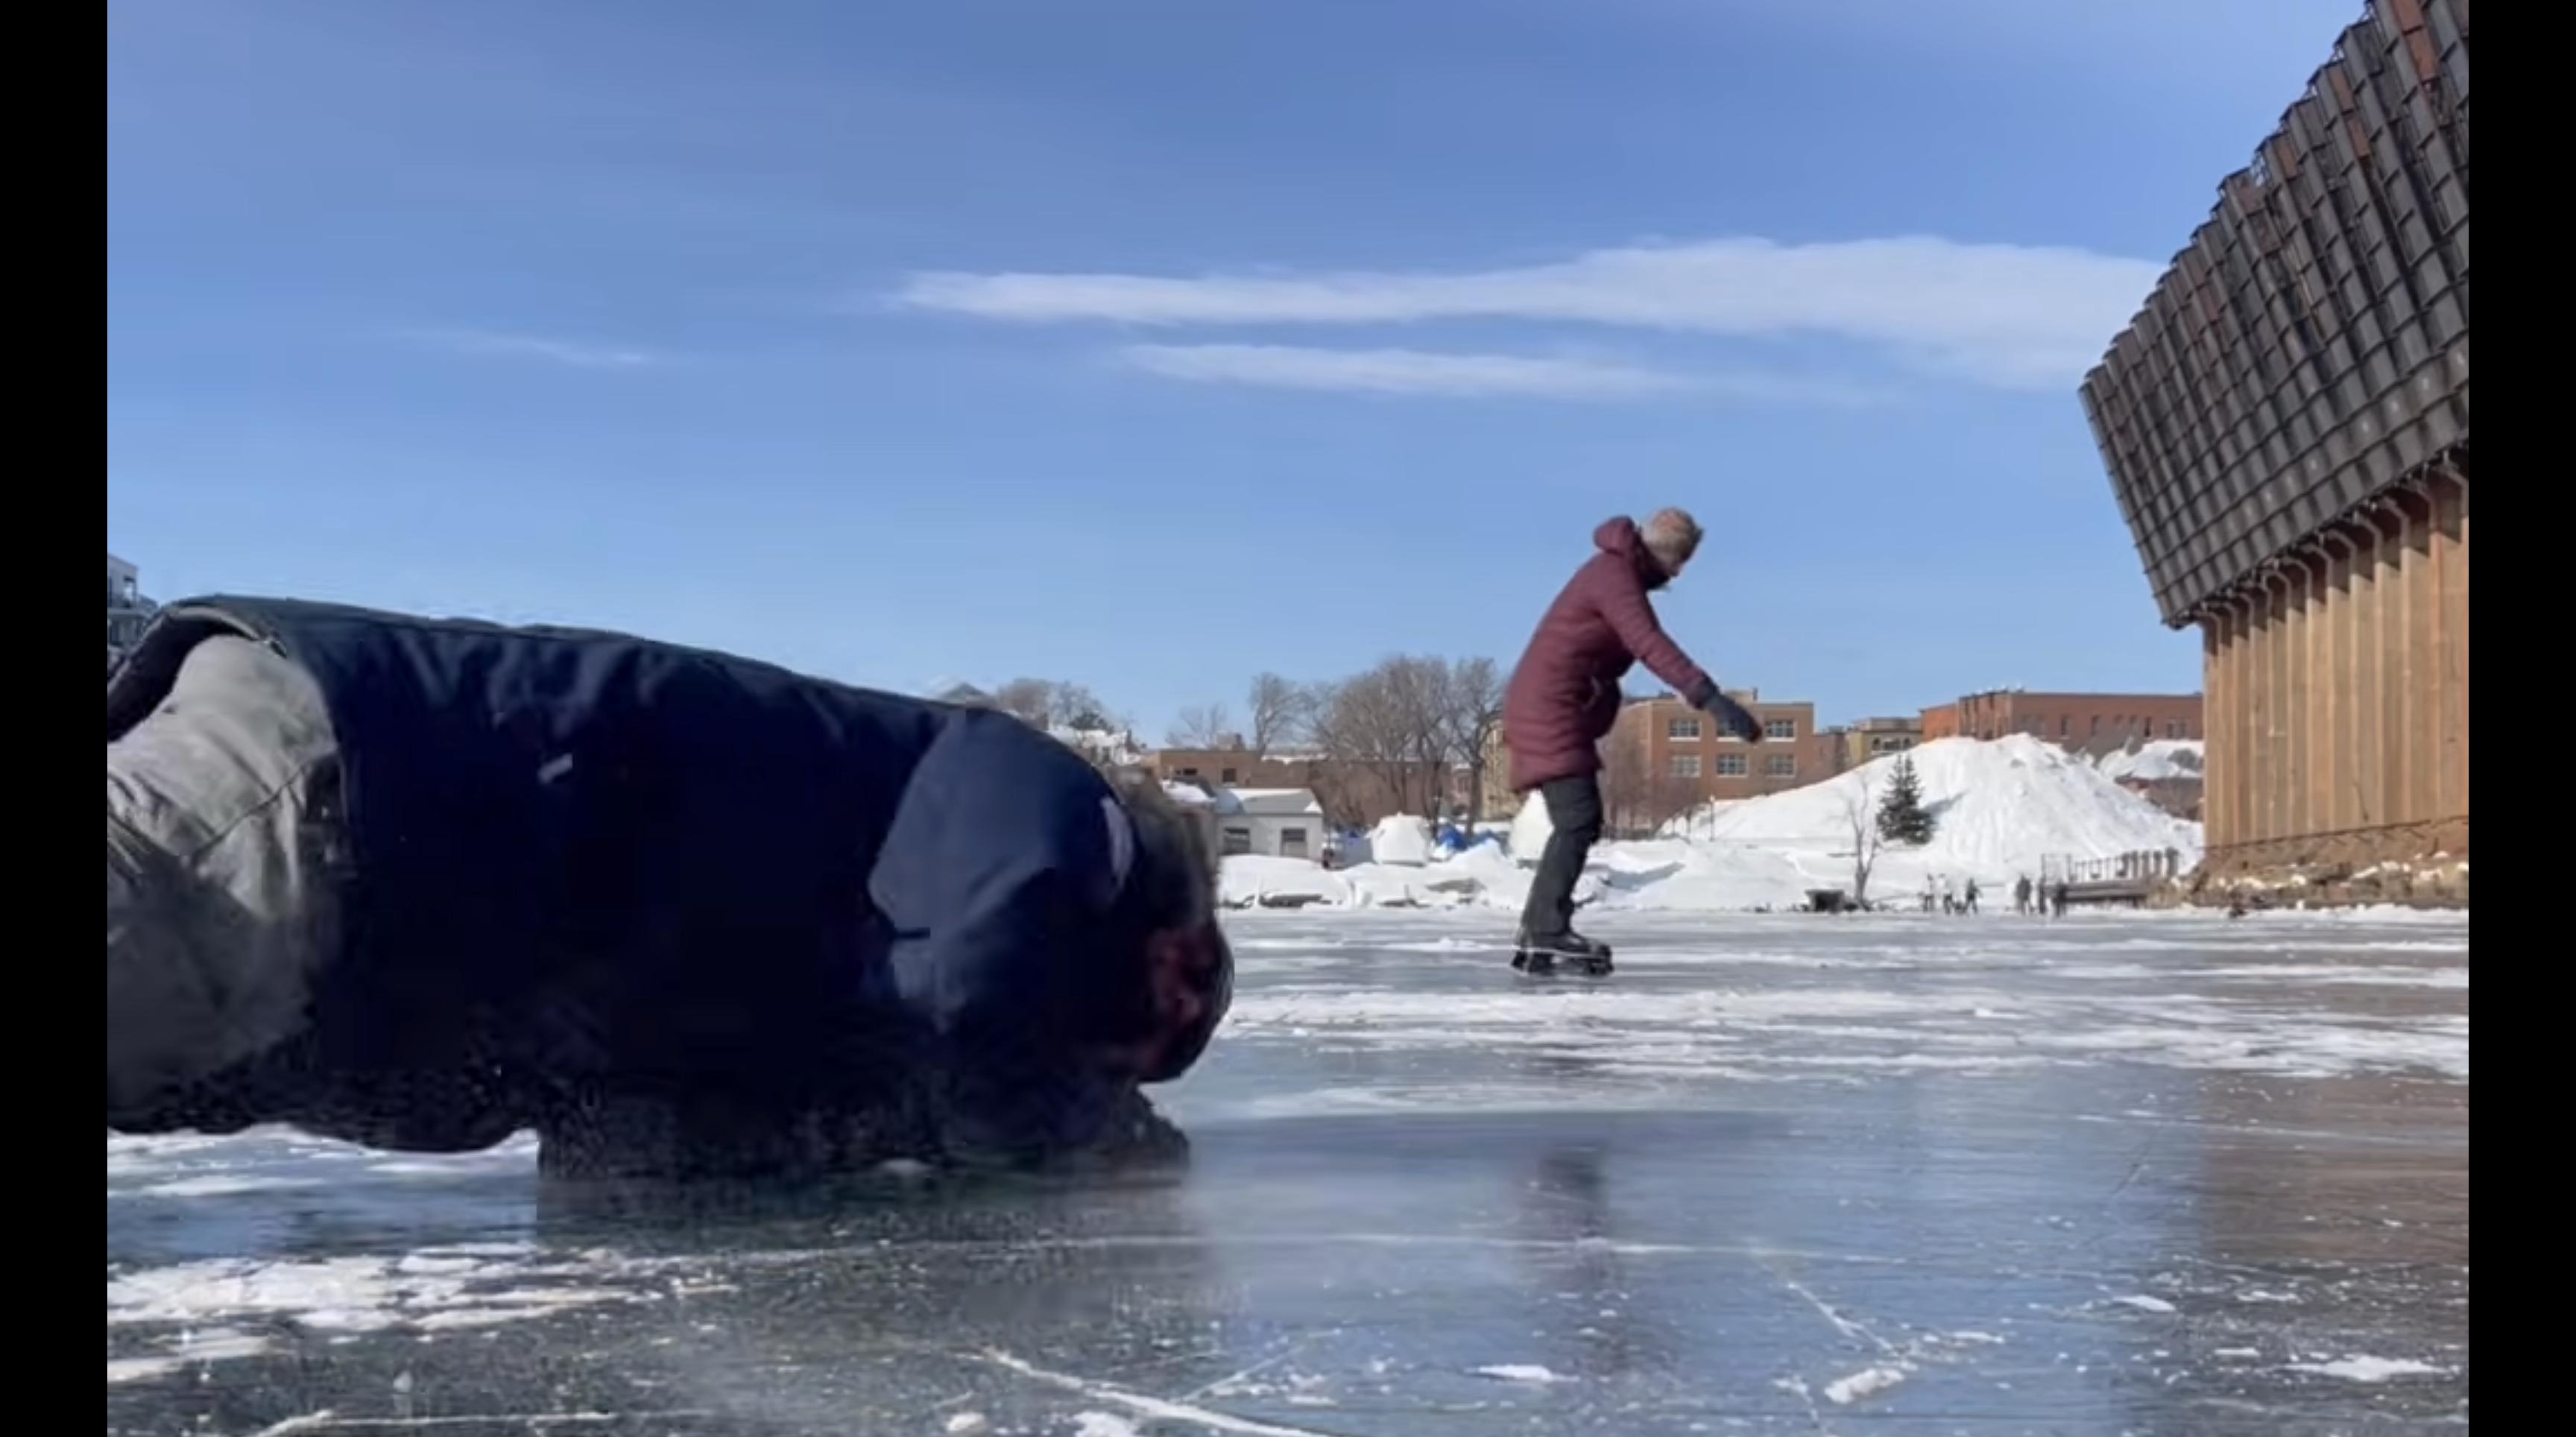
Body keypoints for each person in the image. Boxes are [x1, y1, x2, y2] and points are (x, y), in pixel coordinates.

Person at [107, 597, 1232, 1181]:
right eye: (1125, 1060)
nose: (1104, 1075)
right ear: (1170, 959)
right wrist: (1085, 1138)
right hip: (340, 778)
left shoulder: (824, 927)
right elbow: (979, 992)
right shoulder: (1056, 807)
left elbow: (653, 1139)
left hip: (352, 847)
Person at [1500, 511, 1756, 973]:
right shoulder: (1613, 576)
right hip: (1548, 706)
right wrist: (1710, 698)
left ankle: (1539, 927)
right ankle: (1544, 927)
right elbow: (1649, 644)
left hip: (1551, 705)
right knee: (1578, 818)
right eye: (1678, 561)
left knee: (1577, 820)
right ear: (1661, 551)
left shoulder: (1615, 574)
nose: (1677, 574)